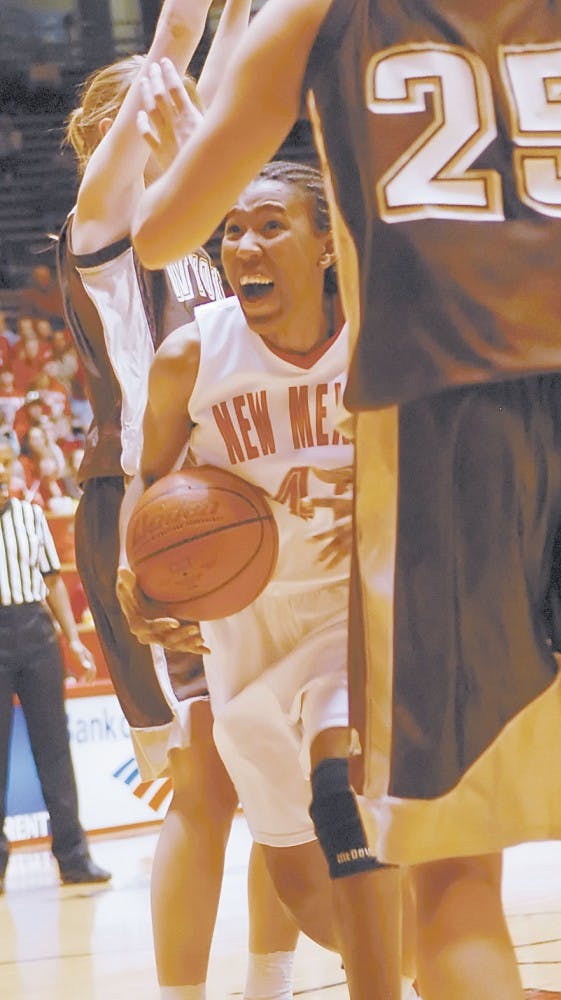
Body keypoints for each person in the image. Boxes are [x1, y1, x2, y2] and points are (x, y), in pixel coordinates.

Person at [130, 0, 561, 997]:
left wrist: (204, 127)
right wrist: (552, 213)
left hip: (447, 432)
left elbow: (161, 232)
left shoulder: (320, 12)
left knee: (448, 865)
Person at [56, 2, 303, 998]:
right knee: (204, 779)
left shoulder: (210, 239)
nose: (195, 124)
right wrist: (177, 44)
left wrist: (235, 35)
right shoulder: (105, 234)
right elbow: (113, 181)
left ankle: (267, 987)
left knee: (275, 773)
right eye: (172, 115)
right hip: (158, 520)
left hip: (242, 510)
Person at [119, 163, 411, 1000]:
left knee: (341, 787)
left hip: (354, 618)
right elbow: (148, 488)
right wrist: (138, 576)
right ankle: (414, 965)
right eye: (233, 230)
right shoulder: (192, 357)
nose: (245, 244)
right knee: (307, 886)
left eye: (272, 226)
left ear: (328, 244)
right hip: (244, 633)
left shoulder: (380, 336)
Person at [0, 440, 110, 893]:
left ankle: (73, 856)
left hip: (36, 633)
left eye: (8, 470)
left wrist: (73, 641)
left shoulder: (31, 516)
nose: (6, 478)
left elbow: (53, 582)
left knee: (54, 747)